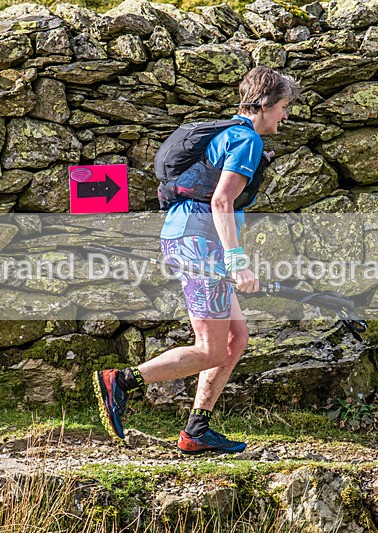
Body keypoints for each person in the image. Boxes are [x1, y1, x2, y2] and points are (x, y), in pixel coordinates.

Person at [94, 66, 300, 455]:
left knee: (236, 339)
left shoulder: (230, 134)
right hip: (198, 245)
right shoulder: (246, 140)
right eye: (283, 107)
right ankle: (120, 381)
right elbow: (221, 201)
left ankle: (196, 430)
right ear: (264, 104)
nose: (285, 116)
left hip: (195, 241)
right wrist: (237, 260)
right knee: (210, 348)